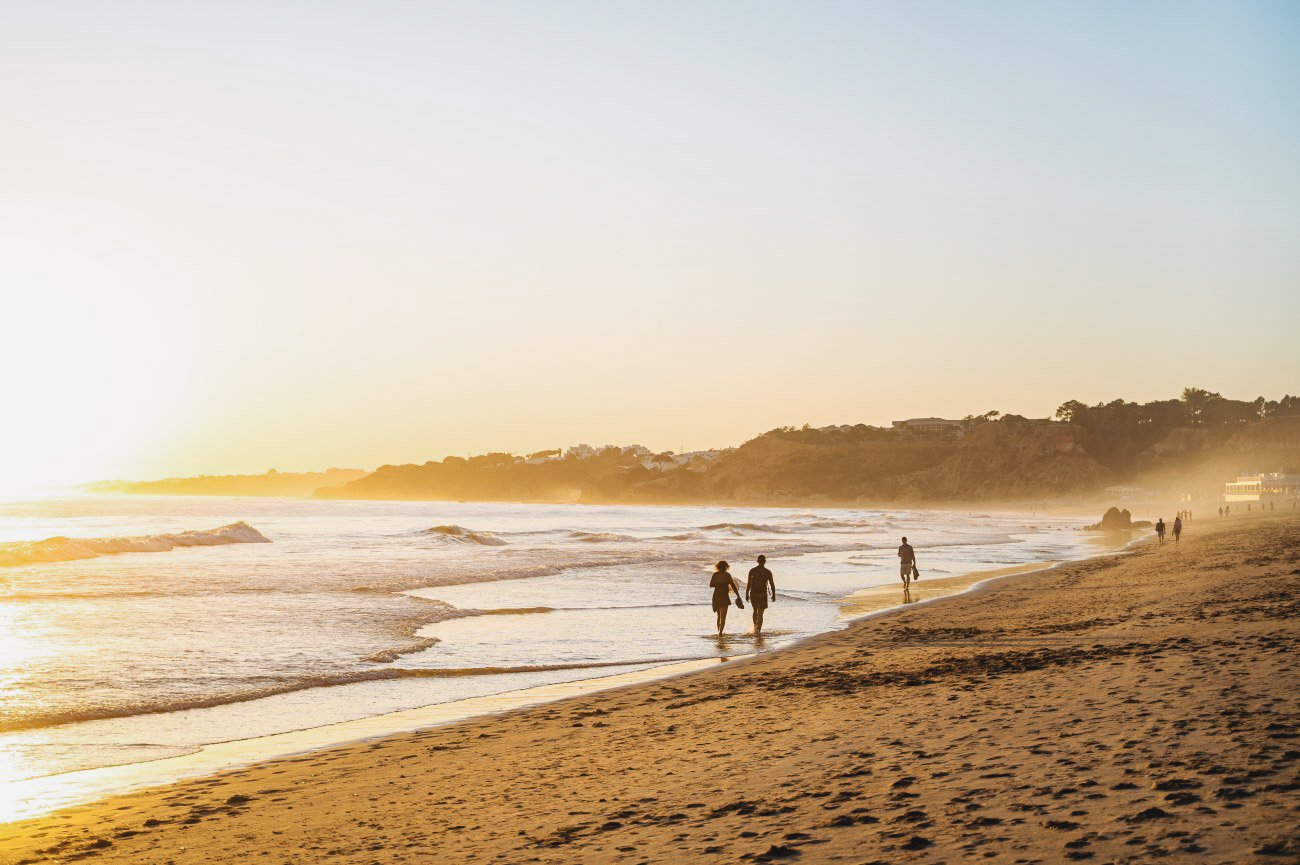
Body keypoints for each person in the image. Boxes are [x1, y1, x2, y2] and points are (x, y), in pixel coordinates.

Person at [745, 555, 777, 634]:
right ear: (765, 561)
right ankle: (758, 630)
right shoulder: (767, 572)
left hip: (753, 593)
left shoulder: (752, 570)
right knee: (760, 614)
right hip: (762, 594)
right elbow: (772, 584)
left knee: (754, 611)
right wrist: (773, 595)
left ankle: (755, 627)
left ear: (757, 561)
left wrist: (746, 594)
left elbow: (748, 584)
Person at [709, 561, 741, 635]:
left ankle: (719, 632)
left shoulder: (715, 575)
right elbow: (733, 586)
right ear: (726, 567)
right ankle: (720, 632)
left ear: (718, 567)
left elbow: (711, 585)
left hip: (716, 596)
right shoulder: (727, 575)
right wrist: (738, 595)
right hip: (724, 596)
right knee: (723, 617)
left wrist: (718, 584)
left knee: (719, 616)